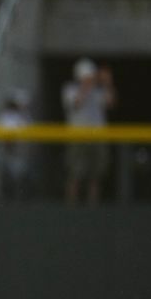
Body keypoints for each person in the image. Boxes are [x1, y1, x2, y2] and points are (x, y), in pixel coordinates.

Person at [62, 57, 117, 205]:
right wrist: (87, 85)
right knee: (75, 173)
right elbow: (77, 103)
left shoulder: (98, 91)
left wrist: (107, 83)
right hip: (78, 137)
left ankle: (93, 206)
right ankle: (71, 206)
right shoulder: (70, 89)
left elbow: (111, 103)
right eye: (88, 75)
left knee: (96, 175)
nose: (91, 78)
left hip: (97, 137)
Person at [0, 89, 34, 201]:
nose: (23, 106)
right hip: (9, 155)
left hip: (22, 155)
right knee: (8, 187)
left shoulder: (26, 116)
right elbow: (6, 140)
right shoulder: (6, 116)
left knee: (22, 187)